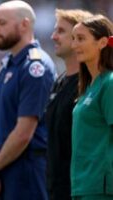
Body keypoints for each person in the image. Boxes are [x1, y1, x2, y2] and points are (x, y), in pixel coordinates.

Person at [0, 1, 55, 199]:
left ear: (24, 24)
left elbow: (23, 133)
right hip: (1, 171)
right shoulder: (7, 65)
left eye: (2, 23)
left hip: (25, 171)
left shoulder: (34, 67)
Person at [45, 9, 92, 200]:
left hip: (83, 189)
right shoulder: (60, 81)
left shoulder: (92, 84)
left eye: (61, 31)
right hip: (56, 188)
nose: (53, 36)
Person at [70, 14, 113, 200]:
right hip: (82, 185)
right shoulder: (89, 86)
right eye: (73, 39)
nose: (74, 45)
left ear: (102, 42)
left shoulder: (109, 83)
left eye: (80, 39)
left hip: (101, 187)